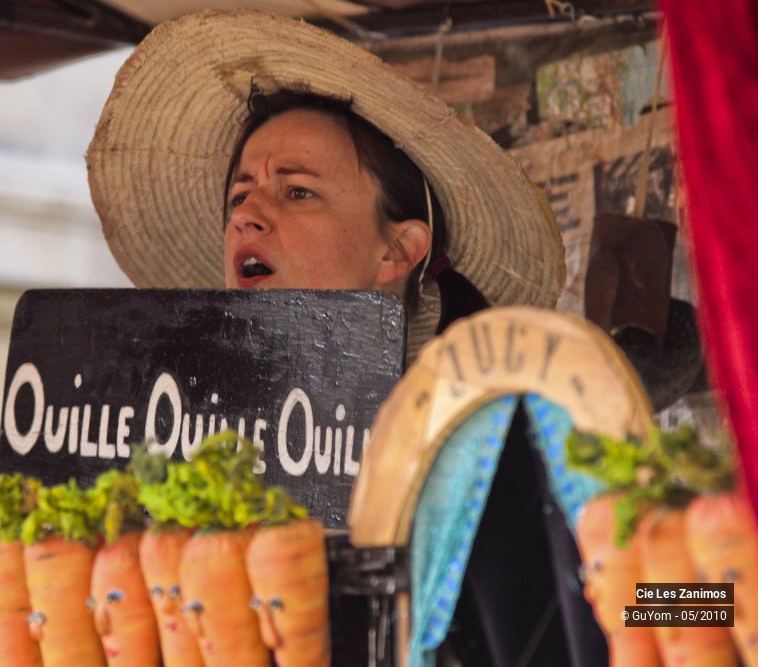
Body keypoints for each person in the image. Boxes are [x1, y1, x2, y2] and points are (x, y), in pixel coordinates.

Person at [87, 9, 603, 665]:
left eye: (296, 191)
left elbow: (636, 604)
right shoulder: (182, 435)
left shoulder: (492, 431)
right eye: (239, 196)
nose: (247, 213)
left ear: (398, 250)